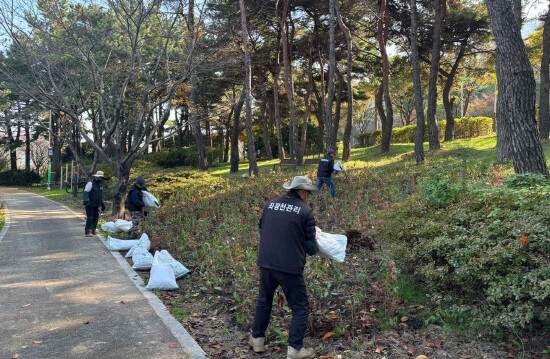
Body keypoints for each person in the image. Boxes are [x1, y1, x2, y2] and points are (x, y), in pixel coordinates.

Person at [250, 176, 319, 359]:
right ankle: (295, 350)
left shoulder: (270, 205)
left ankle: (257, 340)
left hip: (266, 262)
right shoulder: (305, 212)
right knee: (300, 307)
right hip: (289, 266)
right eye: (309, 193)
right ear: (302, 192)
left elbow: (261, 230)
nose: (309, 197)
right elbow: (311, 249)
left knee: (264, 300)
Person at [83, 171, 106, 237]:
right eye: (100, 177)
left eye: (102, 177)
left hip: (96, 204)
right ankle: (88, 231)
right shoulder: (90, 183)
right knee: (90, 217)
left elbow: (100, 196)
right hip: (89, 204)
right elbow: (85, 192)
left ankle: (93, 230)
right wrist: (87, 201)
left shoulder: (100, 185)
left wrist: (102, 204)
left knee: (96, 217)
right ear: (96, 177)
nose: (101, 179)